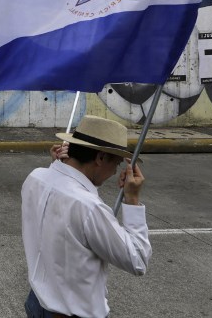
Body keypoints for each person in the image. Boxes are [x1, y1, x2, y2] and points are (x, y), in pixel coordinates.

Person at [22, 115, 151, 318]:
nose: (114, 172)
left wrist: (58, 166)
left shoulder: (35, 177)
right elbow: (138, 261)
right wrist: (132, 199)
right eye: (116, 164)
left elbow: (59, 198)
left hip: (37, 302)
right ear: (100, 158)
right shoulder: (88, 207)